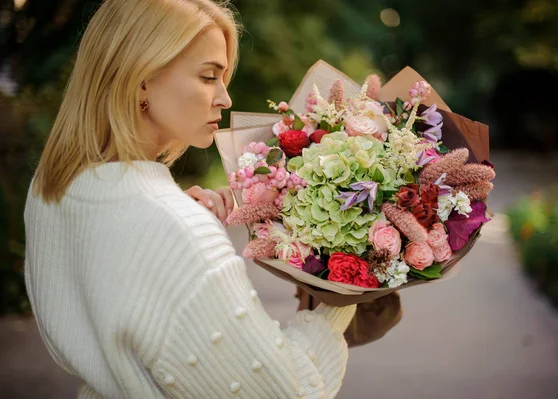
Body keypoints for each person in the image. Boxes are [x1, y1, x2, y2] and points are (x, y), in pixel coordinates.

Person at [23, 1, 356, 398]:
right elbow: (287, 393)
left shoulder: (52, 190)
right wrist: (338, 300)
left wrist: (186, 228)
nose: (224, 99)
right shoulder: (174, 224)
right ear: (141, 77)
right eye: (208, 77)